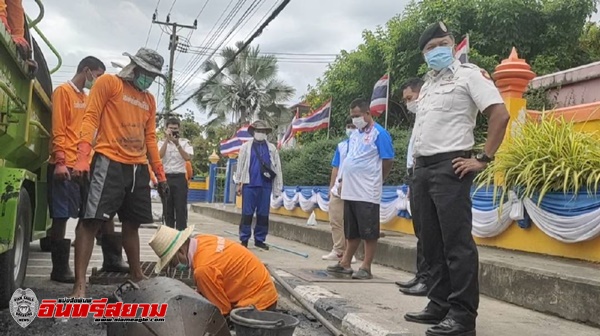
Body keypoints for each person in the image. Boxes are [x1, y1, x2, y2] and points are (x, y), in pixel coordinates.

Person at [403, 22, 509, 336]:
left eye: (441, 43)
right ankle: (438, 304)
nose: (435, 51)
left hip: (451, 168)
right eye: (428, 48)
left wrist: (483, 158)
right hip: (422, 170)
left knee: (457, 245)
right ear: (424, 54)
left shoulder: (470, 75)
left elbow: (499, 114)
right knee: (431, 244)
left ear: (452, 44)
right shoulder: (428, 85)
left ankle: (463, 317)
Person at [70, 48, 170, 298]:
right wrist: (82, 158)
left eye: (154, 76)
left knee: (132, 223)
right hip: (109, 161)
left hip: (137, 168)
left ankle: (136, 272)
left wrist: (160, 174)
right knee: (91, 221)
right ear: (135, 67)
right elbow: (90, 118)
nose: (149, 79)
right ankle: (79, 285)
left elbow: (149, 138)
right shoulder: (109, 84)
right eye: (147, 73)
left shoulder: (148, 100)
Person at [48, 56, 128, 283]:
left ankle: (112, 259)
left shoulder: (87, 97)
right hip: (65, 164)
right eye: (98, 75)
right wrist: (61, 161)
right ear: (87, 71)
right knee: (61, 216)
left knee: (97, 213)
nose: (99, 80)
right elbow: (59, 129)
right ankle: (60, 268)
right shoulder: (63, 92)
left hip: (86, 164)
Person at [327, 98, 394, 280]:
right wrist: (341, 183)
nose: (355, 119)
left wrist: (379, 179)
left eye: (357, 116)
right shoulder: (355, 134)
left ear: (367, 114)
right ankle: (345, 262)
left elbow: (388, 159)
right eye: (352, 116)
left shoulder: (379, 134)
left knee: (369, 231)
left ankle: (366, 267)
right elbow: (349, 160)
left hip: (367, 190)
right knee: (352, 230)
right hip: (350, 190)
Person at [149, 225, 278, 317]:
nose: (175, 267)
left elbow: (222, 311)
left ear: (181, 252)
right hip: (265, 291)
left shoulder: (203, 269)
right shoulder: (202, 240)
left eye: (172, 263)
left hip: (259, 304)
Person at [395, 78, 430, 297]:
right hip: (415, 177)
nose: (408, 103)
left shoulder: (429, 117)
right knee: (421, 231)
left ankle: (428, 279)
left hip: (425, 174)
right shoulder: (419, 119)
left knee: (428, 232)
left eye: (410, 98)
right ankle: (421, 275)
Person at [234, 120, 283, 250]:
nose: (260, 133)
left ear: (266, 133)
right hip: (249, 184)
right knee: (247, 213)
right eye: (258, 131)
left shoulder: (272, 149)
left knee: (263, 214)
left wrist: (277, 187)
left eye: (263, 131)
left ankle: (260, 239)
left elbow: (277, 168)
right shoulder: (245, 147)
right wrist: (239, 183)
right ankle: (244, 238)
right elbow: (240, 165)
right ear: (254, 132)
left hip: (265, 185)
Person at [322, 118, 357, 264]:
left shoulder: (363, 145)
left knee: (351, 222)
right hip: (338, 188)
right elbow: (335, 167)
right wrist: (331, 187)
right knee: (335, 220)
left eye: (353, 127)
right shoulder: (341, 146)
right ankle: (338, 250)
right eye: (348, 126)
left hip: (355, 188)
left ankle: (350, 253)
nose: (350, 129)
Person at [158, 117, 194, 231]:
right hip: (166, 178)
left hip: (179, 178)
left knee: (181, 209)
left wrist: (177, 144)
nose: (173, 131)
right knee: (167, 209)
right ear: (166, 129)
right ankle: (169, 235)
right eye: (170, 128)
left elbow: (188, 157)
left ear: (179, 129)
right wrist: (166, 141)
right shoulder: (160, 143)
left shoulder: (185, 143)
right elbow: (159, 155)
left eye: (175, 129)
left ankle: (181, 235)